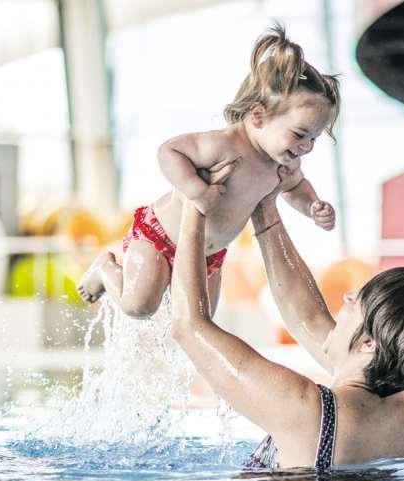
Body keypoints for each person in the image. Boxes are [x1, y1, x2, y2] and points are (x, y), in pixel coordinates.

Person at [170, 164, 404, 469]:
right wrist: (264, 205)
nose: (348, 297)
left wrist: (195, 204)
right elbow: (309, 318)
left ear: (369, 343)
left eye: (359, 301)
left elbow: (189, 325)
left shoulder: (305, 409)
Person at [77, 24, 340, 317]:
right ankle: (105, 269)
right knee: (138, 306)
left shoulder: (284, 163)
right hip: (161, 237)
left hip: (210, 255)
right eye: (300, 134)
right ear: (258, 116)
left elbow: (295, 187)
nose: (306, 146)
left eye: (314, 138)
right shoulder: (224, 145)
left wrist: (312, 206)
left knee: (200, 321)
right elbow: (169, 152)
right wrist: (197, 191)